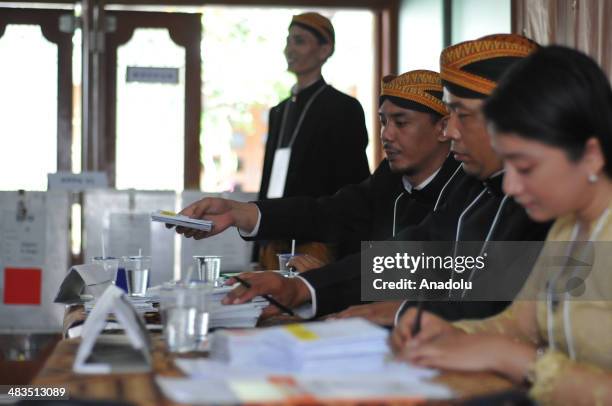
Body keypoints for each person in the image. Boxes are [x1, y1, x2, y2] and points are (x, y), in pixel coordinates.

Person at [214, 34, 551, 324]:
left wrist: (401, 310)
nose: (450, 132)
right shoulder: (474, 185)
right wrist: (303, 287)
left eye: (460, 115)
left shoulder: (553, 201)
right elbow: (418, 252)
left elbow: (503, 306)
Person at [391, 46, 612, 406]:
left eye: (525, 168)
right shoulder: (568, 226)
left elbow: (518, 349)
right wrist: (449, 333)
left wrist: (522, 362)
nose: (510, 187)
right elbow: (520, 324)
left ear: (590, 155)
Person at [174, 70, 458, 322]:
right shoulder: (391, 177)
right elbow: (328, 212)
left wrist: (320, 281)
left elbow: (447, 265)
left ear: (444, 128)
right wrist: (240, 213)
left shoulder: (471, 188)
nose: (387, 135)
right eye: (384, 122)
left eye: (401, 123)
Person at [257, 12, 370, 269]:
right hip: (275, 236)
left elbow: (354, 184)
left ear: (324, 50)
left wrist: (346, 251)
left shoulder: (344, 107)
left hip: (317, 240)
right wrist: (260, 242)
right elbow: (268, 179)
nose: (290, 49)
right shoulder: (279, 110)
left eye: (299, 41)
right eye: (288, 41)